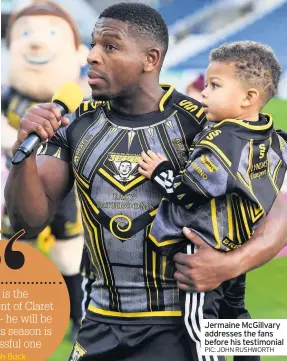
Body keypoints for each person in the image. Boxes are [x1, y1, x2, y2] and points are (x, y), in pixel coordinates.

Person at [4, 3, 287, 361]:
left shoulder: (207, 124)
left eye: (109, 46)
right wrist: (23, 152)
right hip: (99, 324)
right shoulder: (74, 125)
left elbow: (278, 209)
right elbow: (27, 220)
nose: (91, 56)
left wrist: (233, 264)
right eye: (93, 44)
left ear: (150, 59)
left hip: (184, 325)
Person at [138, 40, 287, 360]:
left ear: (249, 98)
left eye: (214, 86)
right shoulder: (273, 136)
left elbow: (186, 195)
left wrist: (160, 170)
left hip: (202, 246)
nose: (204, 93)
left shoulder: (221, 145)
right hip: (238, 244)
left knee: (200, 326)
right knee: (235, 316)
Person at [1, 0, 90, 341]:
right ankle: (15, 317)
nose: (37, 43)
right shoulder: (10, 98)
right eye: (27, 34)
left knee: (70, 254)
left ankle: (77, 316)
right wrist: (14, 138)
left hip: (66, 192)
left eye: (51, 33)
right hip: (20, 190)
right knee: (14, 251)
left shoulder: (79, 100)